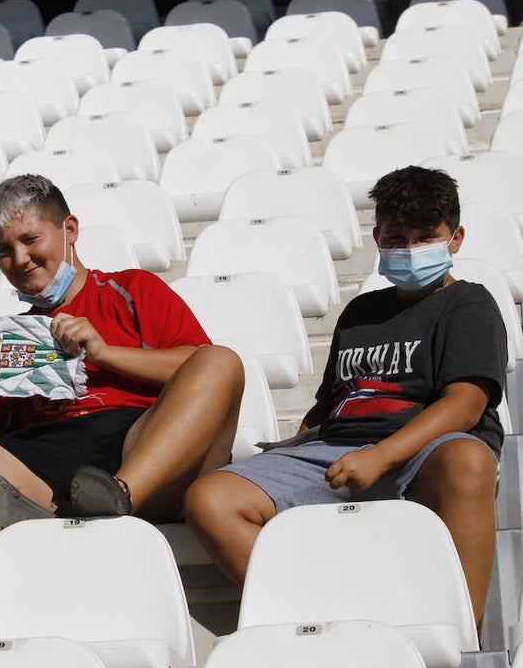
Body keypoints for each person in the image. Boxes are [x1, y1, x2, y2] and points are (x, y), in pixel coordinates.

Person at [184, 165, 507, 625]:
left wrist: (381, 455)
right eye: (397, 239)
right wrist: (294, 450)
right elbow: (327, 404)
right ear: (377, 237)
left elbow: (466, 403)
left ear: (455, 239)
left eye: (425, 238)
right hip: (334, 448)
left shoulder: (469, 303)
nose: (410, 250)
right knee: (210, 498)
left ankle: (460, 630)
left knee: (469, 461)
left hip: (424, 453)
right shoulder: (360, 311)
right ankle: (318, 618)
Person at [0, 174, 245, 540]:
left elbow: (202, 367)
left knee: (221, 361)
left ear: (70, 229)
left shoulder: (134, 288)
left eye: (30, 240)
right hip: (41, 461)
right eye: (4, 251)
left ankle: (116, 497)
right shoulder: (7, 336)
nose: (20, 259)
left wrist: (105, 353)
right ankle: (29, 521)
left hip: (139, 444)